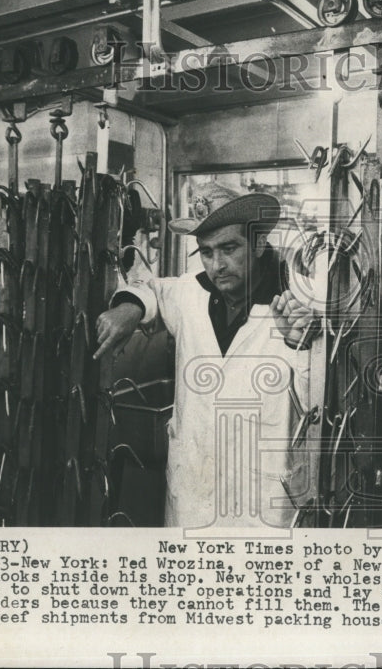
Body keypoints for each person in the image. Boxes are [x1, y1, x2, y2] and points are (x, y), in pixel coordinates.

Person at [94, 182, 318, 528]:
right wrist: (130, 308)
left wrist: (298, 344)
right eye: (207, 252)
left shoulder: (302, 301)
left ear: (258, 243)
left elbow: (318, 408)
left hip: (262, 505)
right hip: (192, 496)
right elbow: (150, 289)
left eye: (229, 248)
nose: (218, 265)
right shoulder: (190, 293)